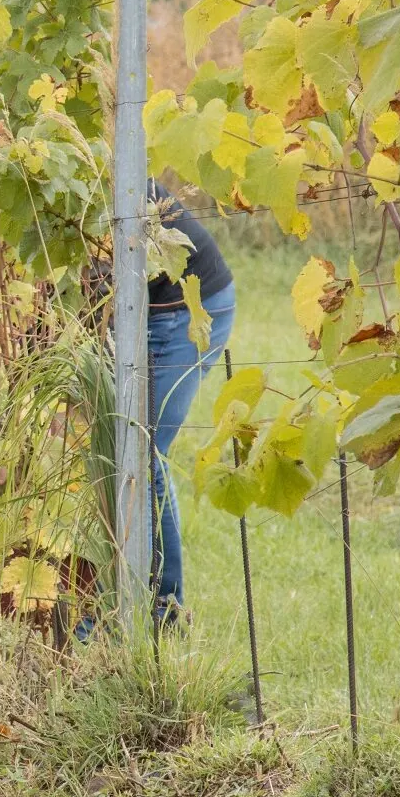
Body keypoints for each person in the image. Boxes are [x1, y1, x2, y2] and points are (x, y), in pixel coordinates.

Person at [145, 183, 235, 626]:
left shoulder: (94, 177)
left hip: (189, 309)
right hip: (145, 309)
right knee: (124, 452)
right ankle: (132, 597)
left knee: (141, 455)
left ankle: (164, 607)